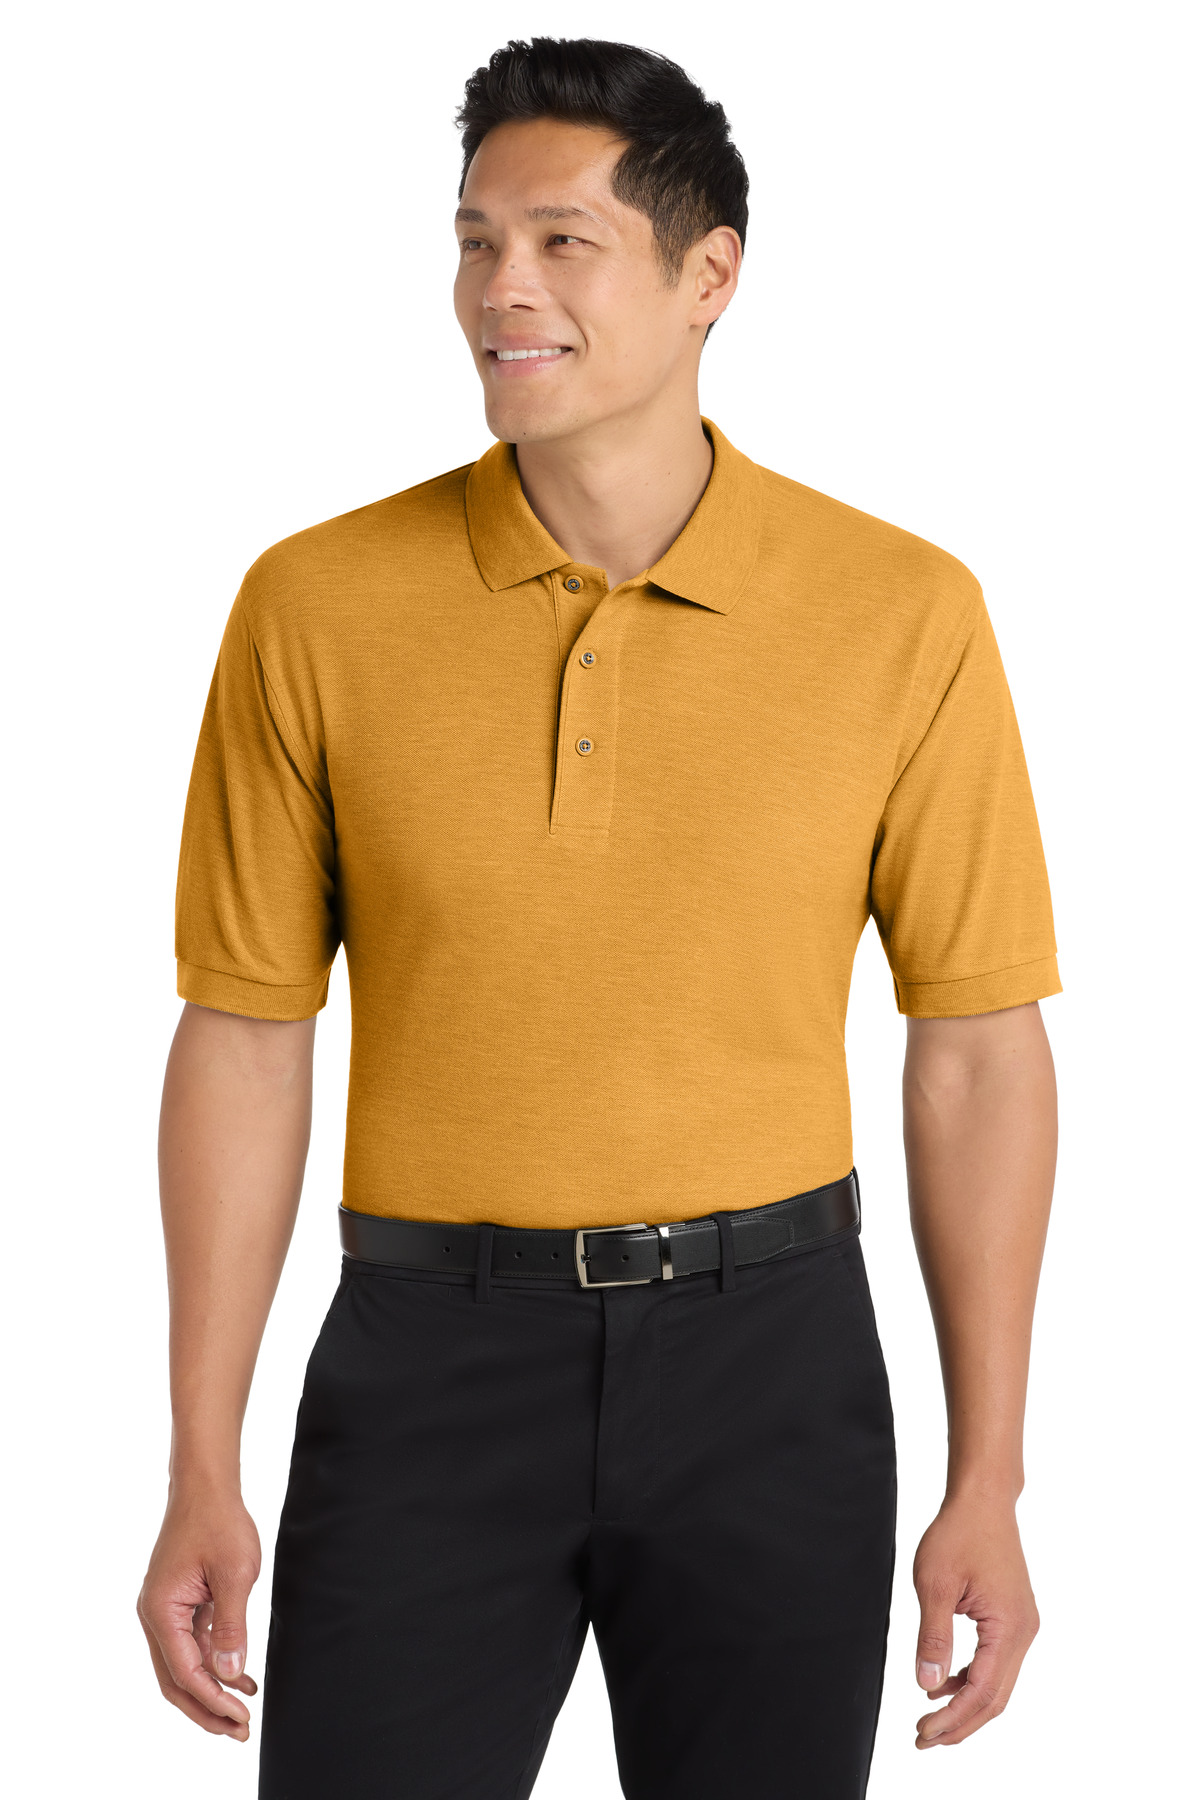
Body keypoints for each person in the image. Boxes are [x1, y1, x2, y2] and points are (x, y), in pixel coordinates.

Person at [137, 36, 1060, 1800]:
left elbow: (976, 1052)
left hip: (775, 1362)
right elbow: (244, 1037)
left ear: (711, 275)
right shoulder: (314, 605)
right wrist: (200, 1460)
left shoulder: (903, 611)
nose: (503, 288)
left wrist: (991, 1478)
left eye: (564, 242)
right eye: (476, 240)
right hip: (427, 1360)